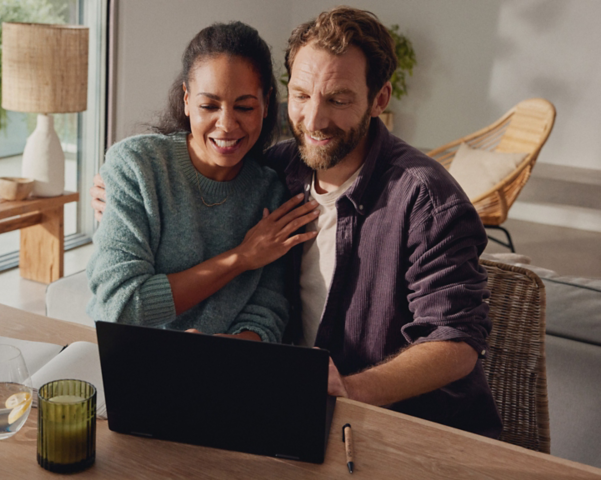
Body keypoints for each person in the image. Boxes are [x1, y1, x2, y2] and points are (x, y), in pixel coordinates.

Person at [91, 7, 502, 437]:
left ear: (380, 98)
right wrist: (113, 198)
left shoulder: (426, 198)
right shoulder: (281, 170)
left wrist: (350, 388)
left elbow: (457, 343)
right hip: (295, 408)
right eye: (302, 96)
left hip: (410, 426)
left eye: (339, 99)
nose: (313, 120)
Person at [86, 21, 319, 343]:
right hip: (125, 355)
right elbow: (120, 305)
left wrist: (232, 346)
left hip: (224, 368)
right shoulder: (137, 166)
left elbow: (270, 308)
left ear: (266, 104)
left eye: (244, 107)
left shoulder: (272, 192)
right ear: (186, 99)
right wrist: (241, 257)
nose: (226, 124)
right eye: (209, 106)